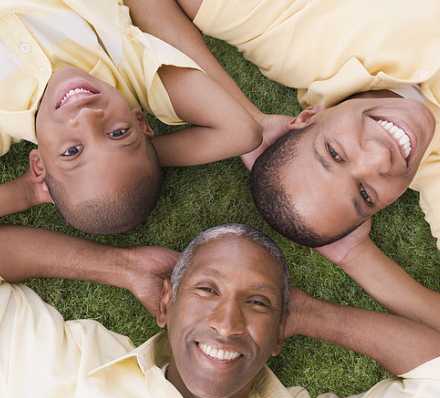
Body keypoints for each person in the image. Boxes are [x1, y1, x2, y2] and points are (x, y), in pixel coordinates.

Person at [1, 223, 439, 398]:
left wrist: (307, 313)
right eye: (208, 289)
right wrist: (123, 266)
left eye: (257, 303)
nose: (227, 324)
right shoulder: (67, 368)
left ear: (280, 333)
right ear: (166, 303)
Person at [130, 0, 440, 248]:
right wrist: (352, 257)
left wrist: (247, 119)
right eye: (366, 195)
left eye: (334, 153)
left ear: (307, 118)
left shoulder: (287, 34)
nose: (379, 158)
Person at [0, 0, 262, 234]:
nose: (88, 117)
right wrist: (142, 150)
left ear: (38, 166)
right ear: (140, 123)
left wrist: (27, 193)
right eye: (118, 133)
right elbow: (242, 132)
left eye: (72, 151)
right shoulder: (130, 70)